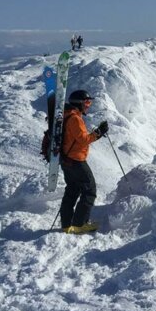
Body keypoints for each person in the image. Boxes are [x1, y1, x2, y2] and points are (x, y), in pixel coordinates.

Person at [59, 90, 109, 233]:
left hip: (66, 160)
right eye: (87, 102)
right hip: (76, 161)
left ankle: (67, 225)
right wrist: (99, 132)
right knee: (90, 190)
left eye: (89, 102)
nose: (88, 105)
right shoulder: (75, 118)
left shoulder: (66, 115)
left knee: (72, 190)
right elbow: (82, 140)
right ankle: (79, 225)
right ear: (79, 103)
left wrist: (97, 132)